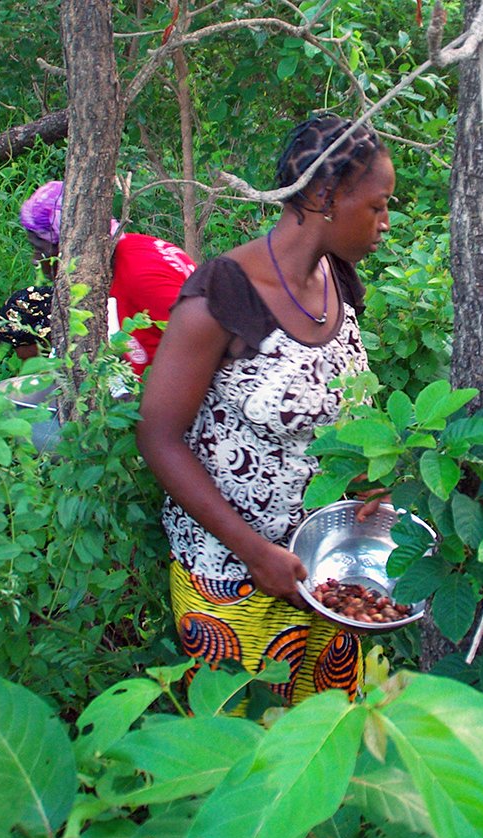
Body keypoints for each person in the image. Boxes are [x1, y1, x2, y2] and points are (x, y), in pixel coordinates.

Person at [136, 114, 392, 704]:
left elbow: (344, 407)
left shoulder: (338, 279)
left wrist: (368, 483)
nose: (384, 224)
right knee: (239, 744)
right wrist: (254, 552)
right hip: (232, 572)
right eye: (377, 207)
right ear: (326, 198)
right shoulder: (225, 294)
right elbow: (159, 437)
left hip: (323, 567)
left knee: (318, 736)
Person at [0, 180, 197, 376]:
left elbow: (200, 346)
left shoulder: (140, 277)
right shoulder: (123, 256)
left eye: (40, 249)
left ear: (69, 245)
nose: (36, 261)